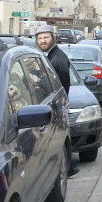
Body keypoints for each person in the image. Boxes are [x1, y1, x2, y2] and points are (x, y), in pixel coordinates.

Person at [35, 24, 78, 177]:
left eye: (46, 37)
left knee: (59, 140)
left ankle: (68, 168)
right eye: (40, 38)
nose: (43, 41)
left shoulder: (58, 58)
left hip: (57, 106)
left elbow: (62, 86)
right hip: (56, 105)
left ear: (53, 38)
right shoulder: (51, 56)